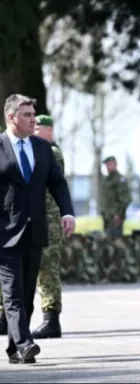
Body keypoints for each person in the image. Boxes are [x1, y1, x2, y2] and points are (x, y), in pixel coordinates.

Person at [0, 94, 75, 364]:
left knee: (28, 293)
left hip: (36, 230)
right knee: (12, 292)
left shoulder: (42, 148)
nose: (33, 120)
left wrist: (67, 212)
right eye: (27, 115)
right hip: (4, 233)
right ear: (11, 117)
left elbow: (57, 182)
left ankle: (14, 349)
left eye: (34, 114)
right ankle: (25, 342)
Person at [29, 115, 68, 340]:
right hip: (38, 217)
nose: (33, 133)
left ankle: (51, 320)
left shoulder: (52, 152)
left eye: (38, 129)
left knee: (47, 268)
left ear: (49, 132)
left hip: (50, 219)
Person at [100, 156, 132, 239]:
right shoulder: (106, 180)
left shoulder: (120, 179)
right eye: (107, 165)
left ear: (115, 164)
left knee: (116, 241)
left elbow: (126, 199)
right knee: (107, 241)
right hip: (107, 217)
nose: (108, 166)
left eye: (110, 164)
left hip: (115, 217)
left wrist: (119, 214)